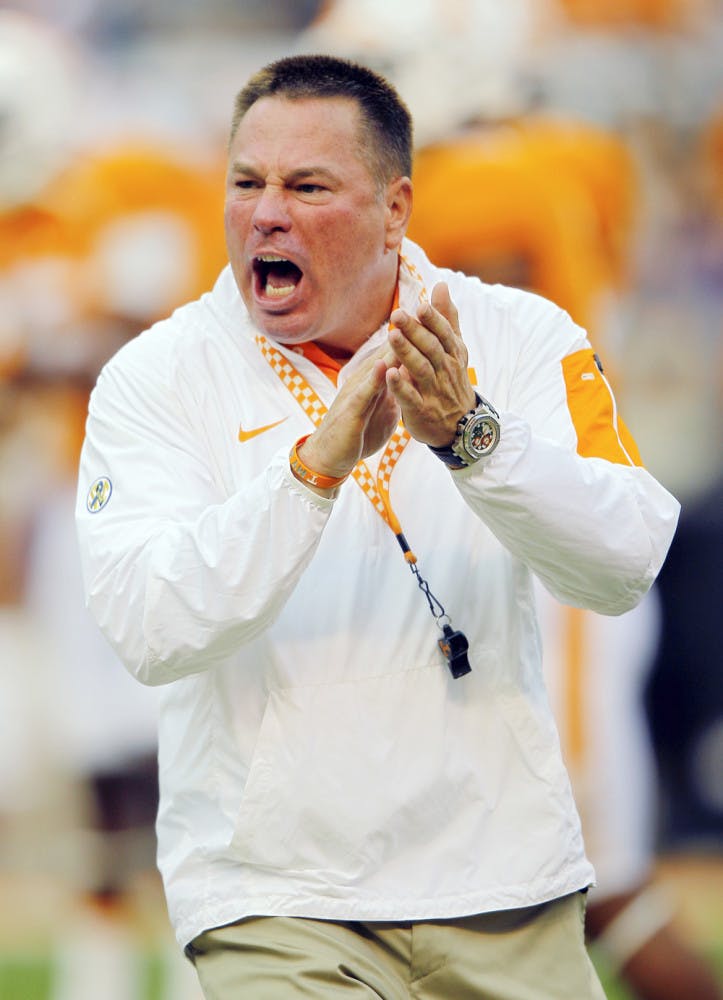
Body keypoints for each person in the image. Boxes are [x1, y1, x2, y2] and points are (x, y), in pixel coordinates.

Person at [75, 54, 680, 999]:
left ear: (395, 206)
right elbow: (149, 629)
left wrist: (474, 440)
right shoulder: (156, 378)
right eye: (246, 183)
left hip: (500, 877)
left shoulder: (522, 336)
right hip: (275, 896)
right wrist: (312, 471)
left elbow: (627, 558)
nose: (265, 213)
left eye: (307, 186)